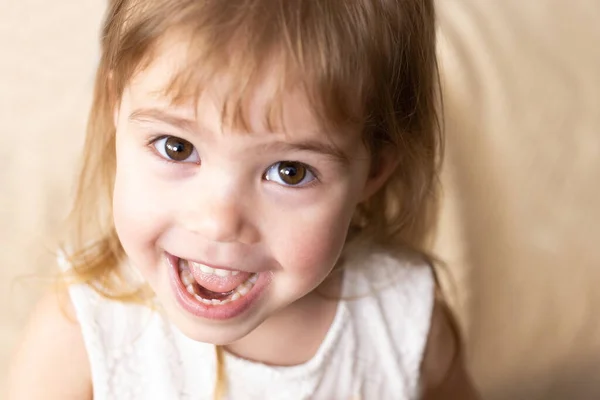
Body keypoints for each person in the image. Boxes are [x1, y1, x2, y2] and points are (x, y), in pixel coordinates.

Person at [8, 0, 479, 398]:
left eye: (289, 173)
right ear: (117, 109)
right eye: (178, 147)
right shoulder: (85, 331)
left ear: (372, 169)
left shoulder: (403, 321)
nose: (218, 222)